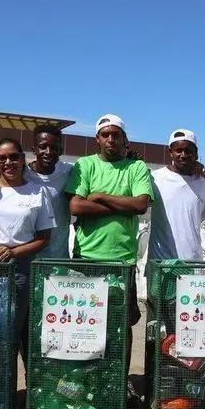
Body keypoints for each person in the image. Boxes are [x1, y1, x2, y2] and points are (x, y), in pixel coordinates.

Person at [64, 113, 155, 373]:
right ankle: (88, 378)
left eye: (116, 135)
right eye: (106, 135)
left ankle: (120, 379)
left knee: (121, 325)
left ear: (124, 139)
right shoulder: (84, 165)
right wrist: (122, 206)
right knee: (85, 322)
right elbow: (76, 206)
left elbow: (140, 204)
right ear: (97, 138)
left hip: (122, 262)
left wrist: (99, 196)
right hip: (86, 259)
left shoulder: (136, 167)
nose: (111, 139)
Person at [0, 138, 57, 367]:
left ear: (23, 159)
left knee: (12, 333)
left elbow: (44, 238)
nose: (8, 162)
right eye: (2, 158)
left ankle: (7, 385)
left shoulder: (37, 192)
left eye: (14, 157)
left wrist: (13, 253)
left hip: (20, 269)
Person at [148, 129, 205, 260]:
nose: (183, 155)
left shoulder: (204, 183)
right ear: (170, 152)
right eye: (178, 150)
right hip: (160, 263)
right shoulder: (155, 179)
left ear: (196, 153)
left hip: (193, 263)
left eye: (188, 151)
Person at [25, 125, 73, 259]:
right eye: (43, 146)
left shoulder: (69, 171)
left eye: (54, 147)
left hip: (57, 259)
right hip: (26, 258)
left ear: (60, 150)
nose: (48, 151)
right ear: (34, 149)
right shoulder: (22, 174)